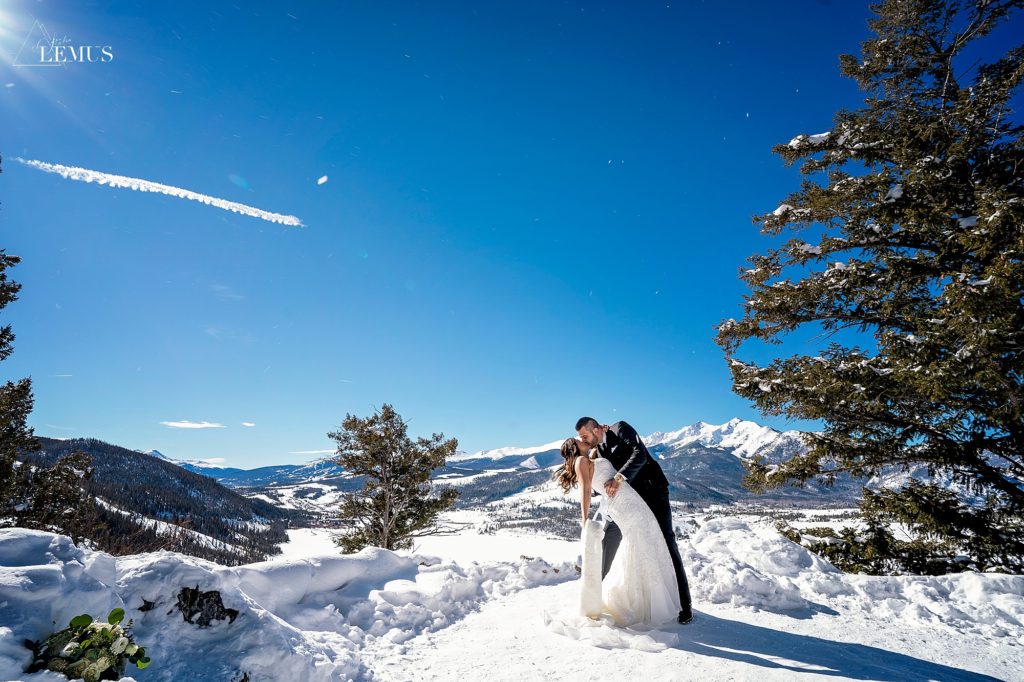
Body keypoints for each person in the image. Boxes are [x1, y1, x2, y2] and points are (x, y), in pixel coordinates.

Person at [576, 417, 693, 625]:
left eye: (585, 436)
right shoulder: (599, 451)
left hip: (653, 492)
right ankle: (590, 595)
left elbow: (639, 455)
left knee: (667, 542)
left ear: (595, 429)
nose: (583, 440)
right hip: (627, 505)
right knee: (608, 541)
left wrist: (618, 479)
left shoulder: (620, 429)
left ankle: (685, 605)